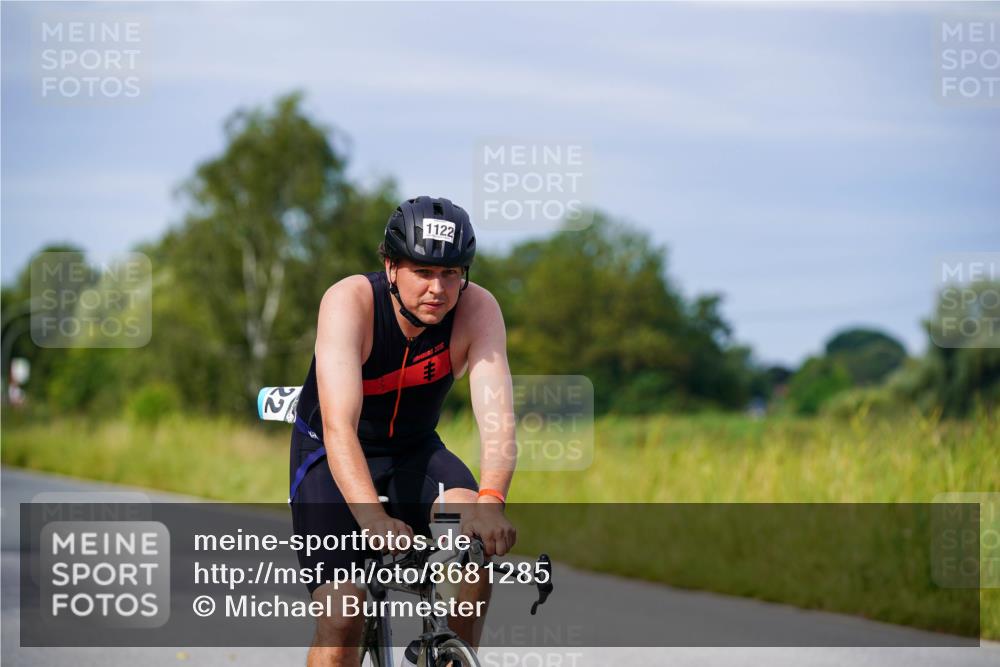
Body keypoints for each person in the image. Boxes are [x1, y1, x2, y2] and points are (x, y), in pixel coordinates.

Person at [288, 196, 518, 666]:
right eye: (423, 272)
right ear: (391, 267)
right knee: (344, 615)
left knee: (474, 542)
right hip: (333, 459)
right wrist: (372, 519)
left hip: (415, 453)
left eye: (451, 273)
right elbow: (338, 428)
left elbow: (497, 421)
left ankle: (454, 655)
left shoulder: (478, 309)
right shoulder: (350, 301)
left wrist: (491, 501)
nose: (438, 288)